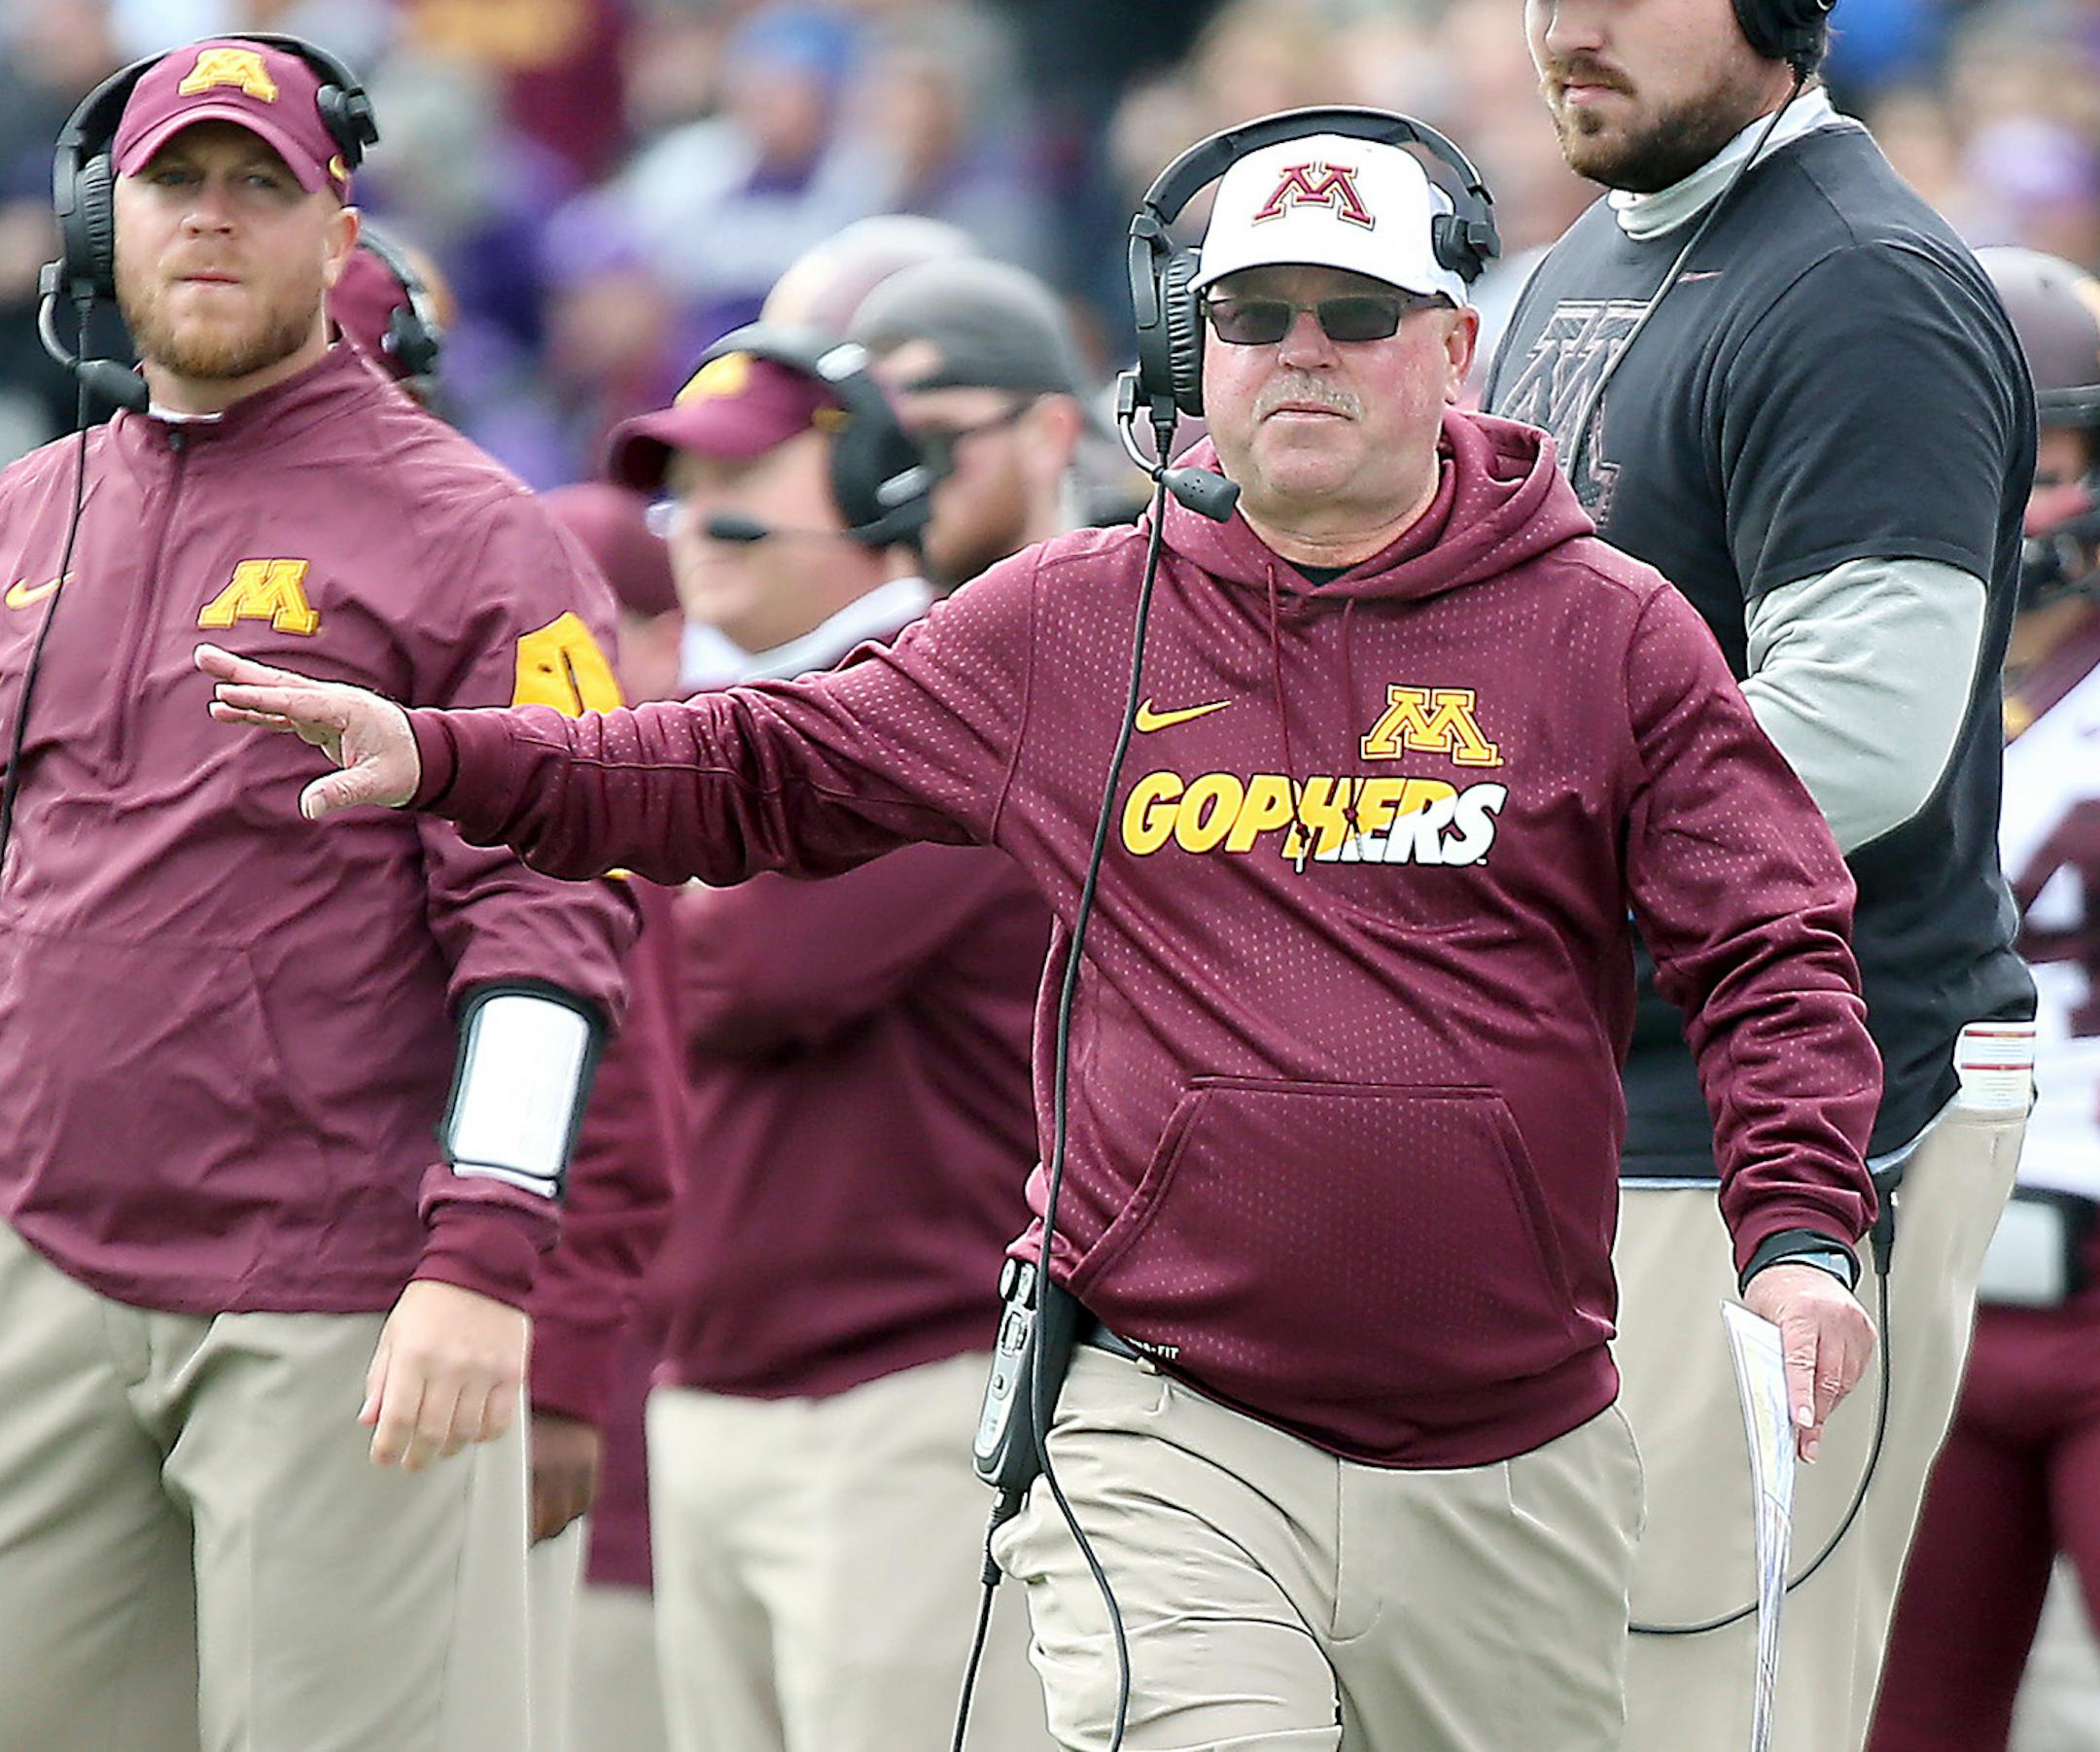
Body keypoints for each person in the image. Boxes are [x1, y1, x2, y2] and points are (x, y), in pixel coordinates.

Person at [201, 114, 1885, 1752]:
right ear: (1186, 350)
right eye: (1249, 313)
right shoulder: (1079, 619)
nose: (1300, 350)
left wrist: (1800, 1230)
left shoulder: (1610, 629)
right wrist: (448, 750)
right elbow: (754, 762)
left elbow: (1770, 938)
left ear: (1454, 346)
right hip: (1167, 1413)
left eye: (1354, 314)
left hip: (1510, 1442)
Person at [0, 38, 637, 1752]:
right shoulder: (25, 513)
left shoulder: (472, 533)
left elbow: (554, 926)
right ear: (99, 222)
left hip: (336, 1293)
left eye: (258, 187)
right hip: (45, 1267)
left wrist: (487, 1256)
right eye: (174, 185)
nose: (211, 224)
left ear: (339, 226)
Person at [1483, 5, 2037, 1752]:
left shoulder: (1861, 283)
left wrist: (1472, 839)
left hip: (1780, 1117)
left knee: (1695, 1700)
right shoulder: (1591, 254)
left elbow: (1859, 743)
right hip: (1593, 1095)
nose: (1563, 26)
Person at [600, 333, 1056, 1752]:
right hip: (710, 1382)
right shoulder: (709, 716)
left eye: (741, 474)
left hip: (899, 1395)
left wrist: (630, 875)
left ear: (870, 491)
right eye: (682, 482)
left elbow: (752, 969)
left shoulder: (952, 692)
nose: (700, 518)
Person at [1867, 247, 2100, 1752]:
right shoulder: (1847, 679)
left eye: (2051, 461)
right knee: (1897, 1719)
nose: (2011, 502)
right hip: (1912, 1282)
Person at [849, 255, 1097, 594]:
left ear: (1048, 436)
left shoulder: (1139, 625)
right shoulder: (869, 639)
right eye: (885, 449)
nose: (905, 479)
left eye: (932, 442)